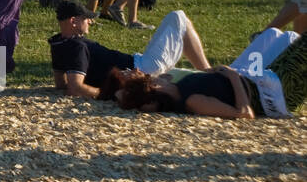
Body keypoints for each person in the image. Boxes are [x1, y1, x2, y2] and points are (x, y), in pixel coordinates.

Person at [111, 27, 307, 119]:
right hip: (273, 94)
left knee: (292, 39)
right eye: (149, 78)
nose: (153, 75)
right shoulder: (191, 101)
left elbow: (122, 96)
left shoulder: (181, 87)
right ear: (153, 87)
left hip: (262, 80)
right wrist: (233, 77)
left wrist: (218, 72)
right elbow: (244, 113)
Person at [48, 0, 210, 100]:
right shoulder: (77, 46)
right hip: (143, 68)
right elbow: (75, 87)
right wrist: (105, 93)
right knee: (178, 17)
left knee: (180, 30)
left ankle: (207, 75)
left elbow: (61, 84)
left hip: (138, 67)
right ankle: (209, 73)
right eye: (86, 18)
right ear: (73, 21)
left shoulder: (58, 43)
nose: (90, 21)